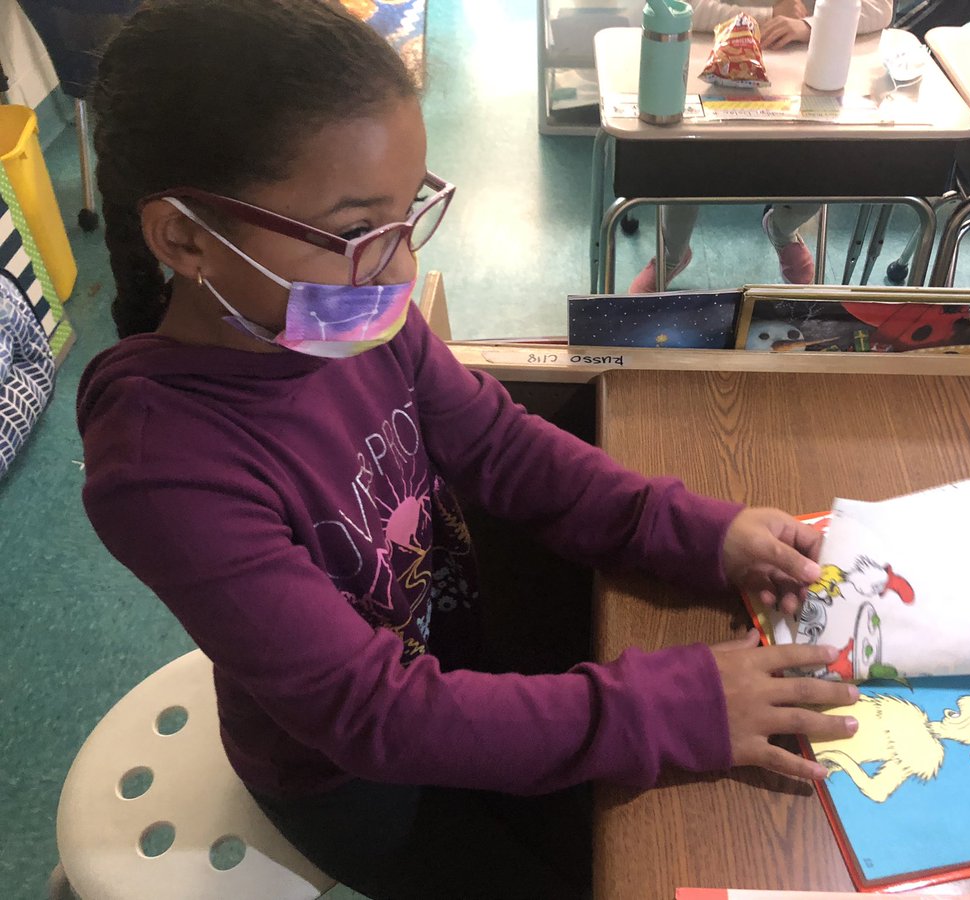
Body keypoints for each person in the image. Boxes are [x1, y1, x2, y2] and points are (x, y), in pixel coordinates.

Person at [77, 2, 859, 897]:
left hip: (452, 669)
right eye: (357, 233)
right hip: (354, 781)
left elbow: (504, 449)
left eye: (408, 216)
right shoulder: (160, 468)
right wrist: (671, 704)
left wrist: (692, 530)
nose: (402, 268)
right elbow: (370, 715)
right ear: (185, 238)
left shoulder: (353, 320)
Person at [628, 0, 895, 293]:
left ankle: (782, 227)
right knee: (685, 152)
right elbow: (677, 6)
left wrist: (806, 25)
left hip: (805, 73)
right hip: (714, 67)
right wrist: (767, 18)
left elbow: (879, 7)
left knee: (826, 152)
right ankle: (672, 253)